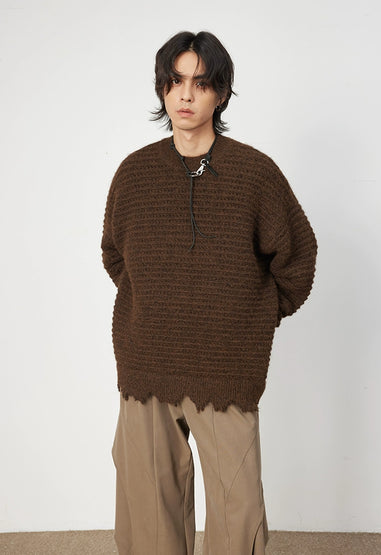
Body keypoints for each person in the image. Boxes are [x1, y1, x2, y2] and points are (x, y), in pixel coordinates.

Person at [101, 30, 318, 555]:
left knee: (237, 510)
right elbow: (115, 255)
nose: (185, 95)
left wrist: (252, 316)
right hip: (147, 361)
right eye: (174, 81)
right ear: (162, 88)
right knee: (149, 512)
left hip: (226, 364)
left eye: (200, 83)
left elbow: (298, 258)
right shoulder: (134, 174)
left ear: (220, 92)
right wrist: (154, 304)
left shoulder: (255, 173)